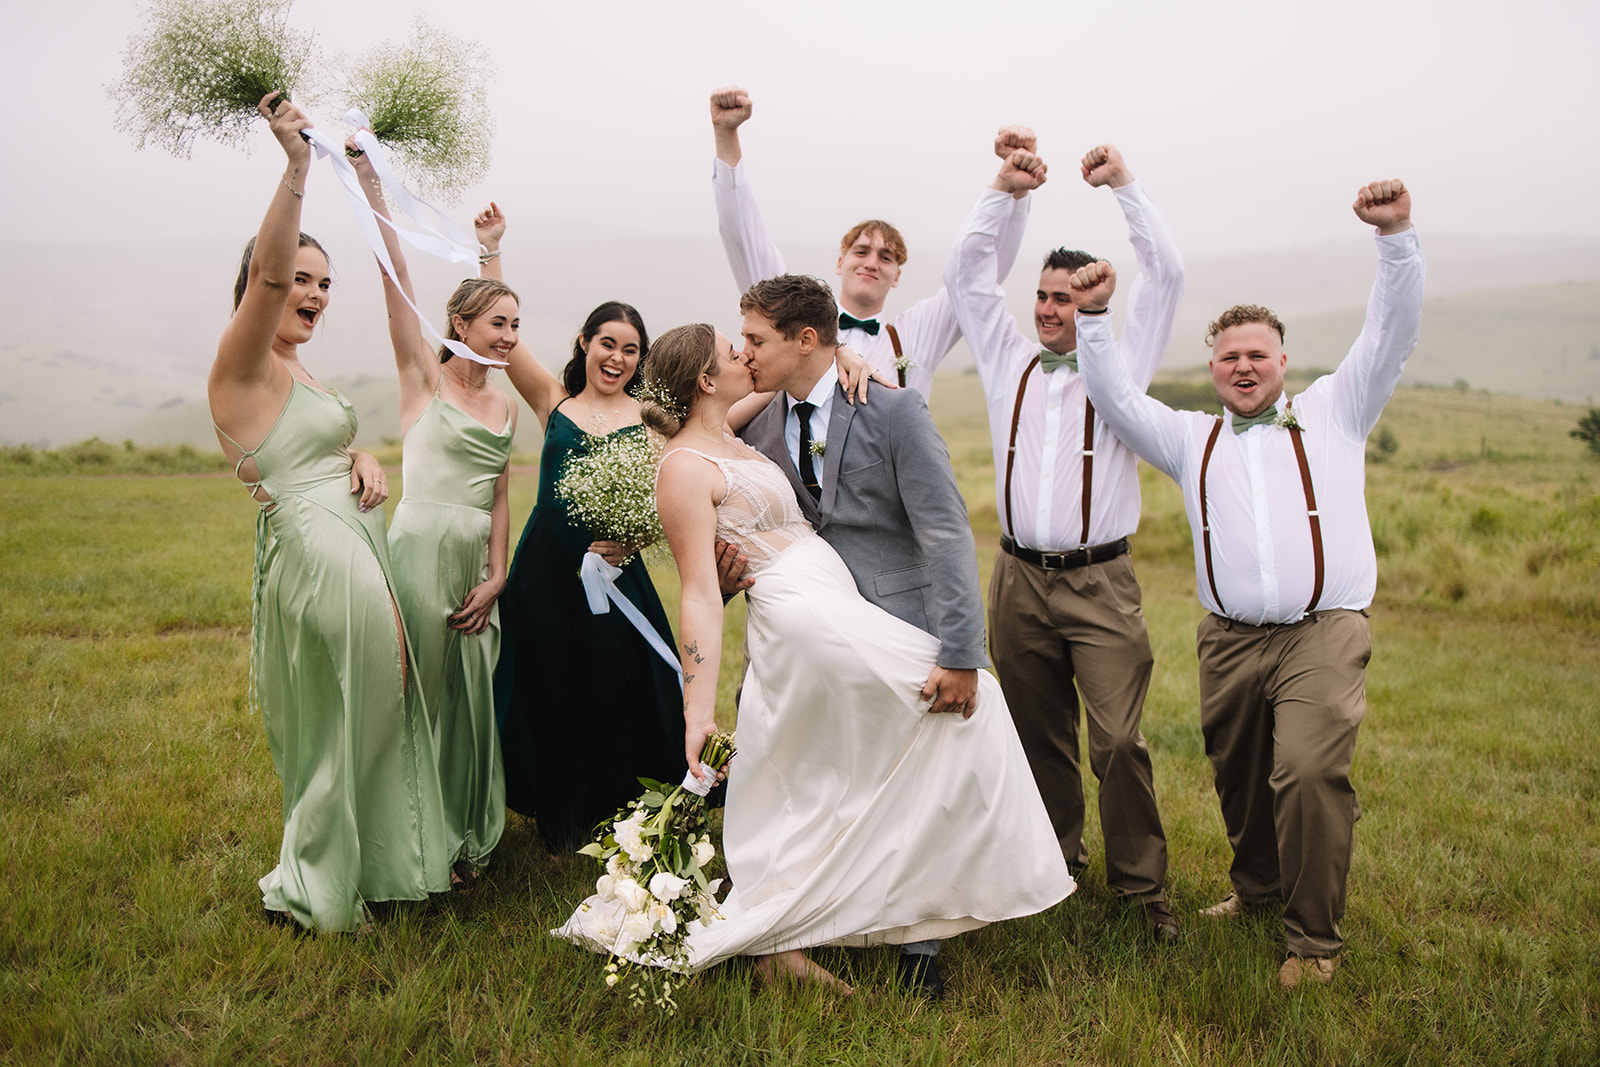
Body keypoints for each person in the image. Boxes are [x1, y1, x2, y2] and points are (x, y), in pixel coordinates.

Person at [555, 321, 1074, 994]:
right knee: (965, 706)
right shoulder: (684, 466)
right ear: (707, 381)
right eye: (733, 352)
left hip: (833, 602)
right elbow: (700, 597)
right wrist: (697, 712)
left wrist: (846, 354)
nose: (748, 356)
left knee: (813, 769)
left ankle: (815, 932)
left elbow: (800, 374)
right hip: (804, 616)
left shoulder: (725, 429)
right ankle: (857, 917)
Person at [1074, 179, 1425, 988]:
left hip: (1322, 628)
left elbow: (1390, 333)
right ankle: (1258, 891)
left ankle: (1314, 943)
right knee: (1238, 775)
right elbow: (1118, 398)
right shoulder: (1190, 439)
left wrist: (1395, 237)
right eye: (1229, 356)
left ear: (1282, 362)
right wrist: (1094, 321)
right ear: (1212, 366)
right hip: (1228, 638)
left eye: (1257, 355)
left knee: (1304, 770)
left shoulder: (1338, 409)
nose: (1243, 366)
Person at [733, 273, 1072, 998]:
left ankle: (921, 942)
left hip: (901, 628)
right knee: (831, 773)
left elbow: (946, 531)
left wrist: (960, 653)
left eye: (756, 339)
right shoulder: (755, 423)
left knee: (921, 786)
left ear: (805, 340)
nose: (745, 352)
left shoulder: (894, 411)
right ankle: (830, 916)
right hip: (811, 638)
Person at [207, 93, 449, 933]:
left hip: (352, 538)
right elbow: (269, 275)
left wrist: (359, 453)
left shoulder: (299, 373)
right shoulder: (242, 368)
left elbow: (310, 444)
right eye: (298, 281)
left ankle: (373, 863)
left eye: (322, 284)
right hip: (317, 552)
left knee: (377, 698)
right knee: (346, 711)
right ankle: (315, 885)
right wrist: (298, 167)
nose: (311, 293)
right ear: (256, 290)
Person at [942, 136, 1184, 940]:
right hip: (1016, 578)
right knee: (1037, 731)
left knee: (1117, 738)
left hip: (1099, 581)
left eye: (1065, 297)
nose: (1050, 308)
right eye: (1043, 295)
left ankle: (1142, 889)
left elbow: (1168, 276)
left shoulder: (1122, 360)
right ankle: (1055, 864)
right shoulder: (1006, 356)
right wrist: (1004, 192)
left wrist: (1124, 186)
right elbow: (965, 277)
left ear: (1087, 302)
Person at [350, 144, 513, 885]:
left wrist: (498, 576)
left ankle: (462, 834)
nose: (510, 335)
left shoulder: (505, 402)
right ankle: (406, 835)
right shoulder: (423, 378)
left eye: (516, 324)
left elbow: (503, 492)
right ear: (459, 323)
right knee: (418, 693)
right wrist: (369, 183)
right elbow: (397, 279)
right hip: (419, 550)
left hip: (477, 561)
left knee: (471, 700)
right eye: (498, 324)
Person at [486, 280, 687, 853]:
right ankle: (556, 810)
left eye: (630, 350)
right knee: (548, 683)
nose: (617, 358)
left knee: (615, 686)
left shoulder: (653, 420)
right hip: (543, 574)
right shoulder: (555, 401)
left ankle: (617, 806)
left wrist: (635, 540)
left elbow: (671, 495)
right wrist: (489, 250)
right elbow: (508, 342)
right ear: (584, 342)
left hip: (613, 578)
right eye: (607, 343)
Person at [708, 86, 1033, 396]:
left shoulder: (917, 333)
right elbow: (745, 240)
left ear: (897, 276)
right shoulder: (793, 318)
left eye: (886, 257)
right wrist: (726, 135)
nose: (872, 262)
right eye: (861, 251)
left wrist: (1012, 191)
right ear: (840, 262)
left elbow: (977, 279)